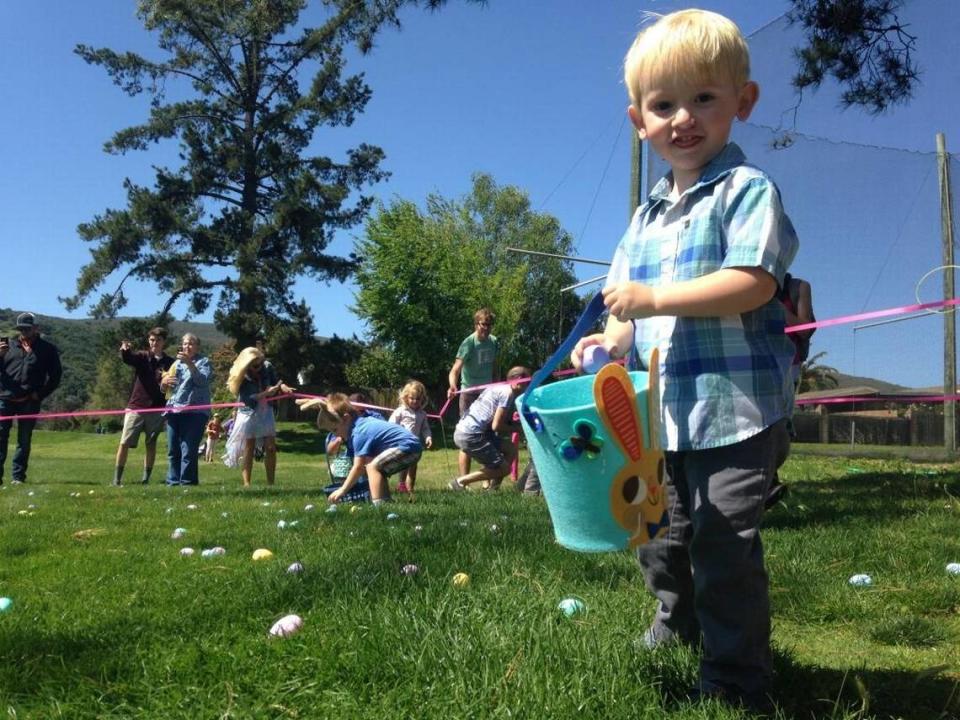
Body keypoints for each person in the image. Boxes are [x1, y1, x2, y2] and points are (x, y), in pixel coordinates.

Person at [570, 10, 798, 712]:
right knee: (660, 535)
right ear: (639, 119)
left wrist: (654, 295)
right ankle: (676, 622)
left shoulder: (746, 191)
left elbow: (754, 281)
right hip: (663, 416)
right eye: (664, 105)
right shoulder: (642, 222)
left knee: (724, 541)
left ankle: (734, 677)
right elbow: (623, 311)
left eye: (704, 98)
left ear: (743, 102)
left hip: (739, 408)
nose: (684, 119)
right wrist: (609, 342)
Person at [316, 393, 422, 506]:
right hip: (411, 446)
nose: (335, 434)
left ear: (346, 418)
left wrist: (343, 490)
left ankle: (379, 505)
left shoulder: (359, 433)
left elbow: (358, 467)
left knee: (372, 467)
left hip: (408, 447)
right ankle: (386, 503)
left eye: (335, 429)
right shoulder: (358, 426)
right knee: (376, 468)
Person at [766, 273, 814, 508]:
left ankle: (769, 478)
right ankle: (766, 481)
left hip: (787, 365)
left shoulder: (798, 288)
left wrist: (773, 306)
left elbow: (805, 329)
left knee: (778, 421)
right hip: (757, 361)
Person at [0, 313, 62, 485]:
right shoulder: (7, 346)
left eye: (27, 328)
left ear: (36, 328)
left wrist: (40, 394)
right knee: (0, 437)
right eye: (21, 329)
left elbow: (56, 377)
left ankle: (18, 477)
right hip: (4, 399)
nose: (24, 332)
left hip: (29, 401)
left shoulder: (47, 349)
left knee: (24, 439)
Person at [448, 366, 529, 492]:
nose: (528, 386)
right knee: (504, 469)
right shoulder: (507, 393)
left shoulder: (500, 387)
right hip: (471, 435)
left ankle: (493, 490)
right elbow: (497, 426)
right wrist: (519, 428)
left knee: (511, 449)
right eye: (527, 383)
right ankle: (460, 482)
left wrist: (513, 423)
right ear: (518, 381)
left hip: (471, 432)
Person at [223, 347, 294, 487]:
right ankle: (247, 483)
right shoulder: (242, 375)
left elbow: (275, 381)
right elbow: (248, 399)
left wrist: (283, 387)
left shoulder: (266, 366)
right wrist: (266, 394)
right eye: (256, 365)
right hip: (248, 411)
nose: (260, 367)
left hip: (266, 410)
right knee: (249, 446)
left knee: (271, 447)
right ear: (247, 365)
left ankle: (271, 483)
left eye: (261, 363)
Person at [112, 327, 175, 486]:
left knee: (151, 444)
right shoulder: (142, 356)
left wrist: (167, 383)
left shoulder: (170, 362)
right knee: (124, 442)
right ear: (149, 341)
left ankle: (145, 479)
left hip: (157, 408)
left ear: (164, 342)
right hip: (136, 406)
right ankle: (116, 479)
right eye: (152, 340)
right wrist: (125, 351)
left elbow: (174, 383)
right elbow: (128, 359)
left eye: (158, 340)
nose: (154, 343)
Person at [447, 308, 500, 478]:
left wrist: (497, 386)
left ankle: (486, 479)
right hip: (469, 394)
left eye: (489, 325)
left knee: (488, 435)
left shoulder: (494, 342)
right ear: (476, 324)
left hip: (487, 394)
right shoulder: (468, 343)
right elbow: (455, 370)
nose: (487, 328)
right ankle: (463, 481)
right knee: (468, 437)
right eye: (484, 324)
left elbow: (495, 367)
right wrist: (453, 386)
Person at [160, 333, 213, 486]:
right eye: (184, 343)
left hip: (195, 411)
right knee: (173, 449)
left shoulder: (204, 362)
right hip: (173, 409)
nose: (187, 346)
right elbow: (167, 389)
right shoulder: (176, 364)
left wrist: (190, 363)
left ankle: (188, 483)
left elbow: (202, 381)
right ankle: (173, 482)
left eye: (190, 343)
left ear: (197, 346)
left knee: (188, 450)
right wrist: (163, 384)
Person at [388, 380, 433, 496]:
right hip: (402, 443)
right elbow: (391, 425)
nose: (414, 401)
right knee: (404, 465)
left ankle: (410, 489)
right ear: (406, 397)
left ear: (422, 399)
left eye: (418, 399)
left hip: (415, 444)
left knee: (413, 467)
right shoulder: (400, 411)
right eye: (412, 398)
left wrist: (428, 438)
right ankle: (402, 484)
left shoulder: (422, 414)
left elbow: (425, 428)